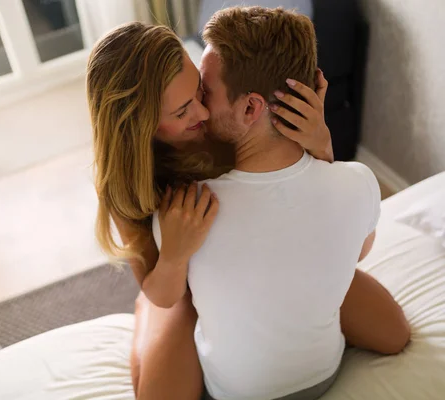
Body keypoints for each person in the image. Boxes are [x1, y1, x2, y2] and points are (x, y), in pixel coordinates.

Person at [86, 14, 410, 400]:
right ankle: (145, 314)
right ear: (140, 127)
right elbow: (160, 287)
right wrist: (172, 260)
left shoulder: (228, 125)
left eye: (200, 91)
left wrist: (321, 149)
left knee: (395, 334)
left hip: (263, 269)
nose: (202, 113)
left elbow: (315, 204)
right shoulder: (129, 189)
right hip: (179, 284)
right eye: (183, 110)